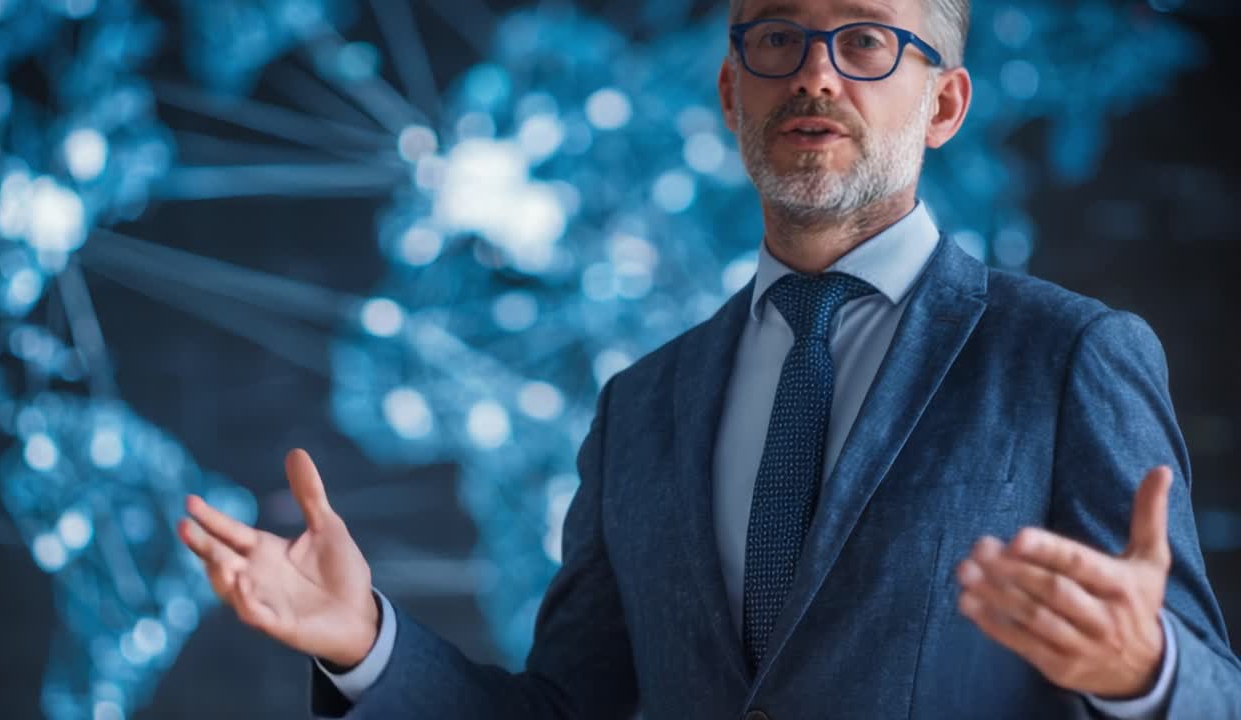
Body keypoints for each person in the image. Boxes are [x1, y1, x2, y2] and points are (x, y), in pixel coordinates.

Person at [177, 0, 1241, 717]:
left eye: (866, 41)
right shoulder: (641, 406)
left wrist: (1140, 675)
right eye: (775, 39)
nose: (815, 74)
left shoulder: (1064, 357)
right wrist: (364, 641)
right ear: (733, 96)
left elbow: (1211, 691)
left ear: (944, 105)